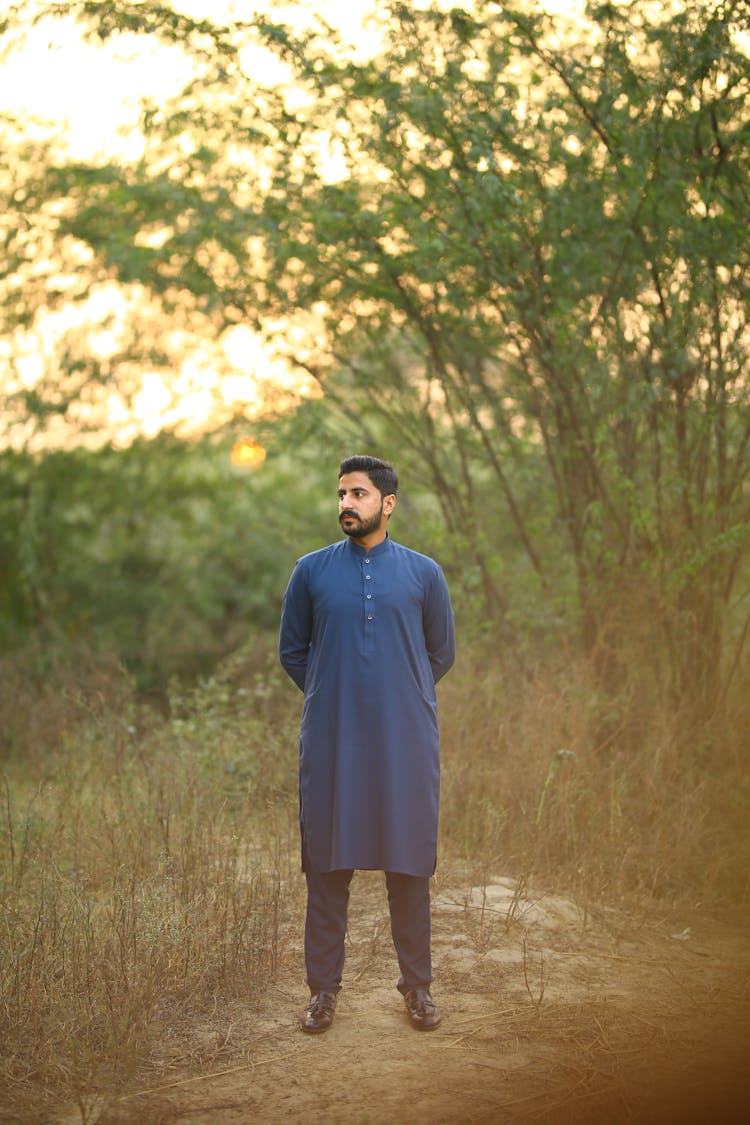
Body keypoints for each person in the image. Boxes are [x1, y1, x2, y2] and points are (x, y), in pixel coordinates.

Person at [279, 454, 455, 1034]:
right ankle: (322, 994)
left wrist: (399, 698)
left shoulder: (424, 574)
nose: (345, 504)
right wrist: (335, 695)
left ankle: (418, 989)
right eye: (342, 494)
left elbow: (440, 654)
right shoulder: (310, 572)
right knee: (328, 870)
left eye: (358, 494)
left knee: (408, 869)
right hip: (331, 743)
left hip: (405, 745)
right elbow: (293, 651)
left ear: (388, 502)